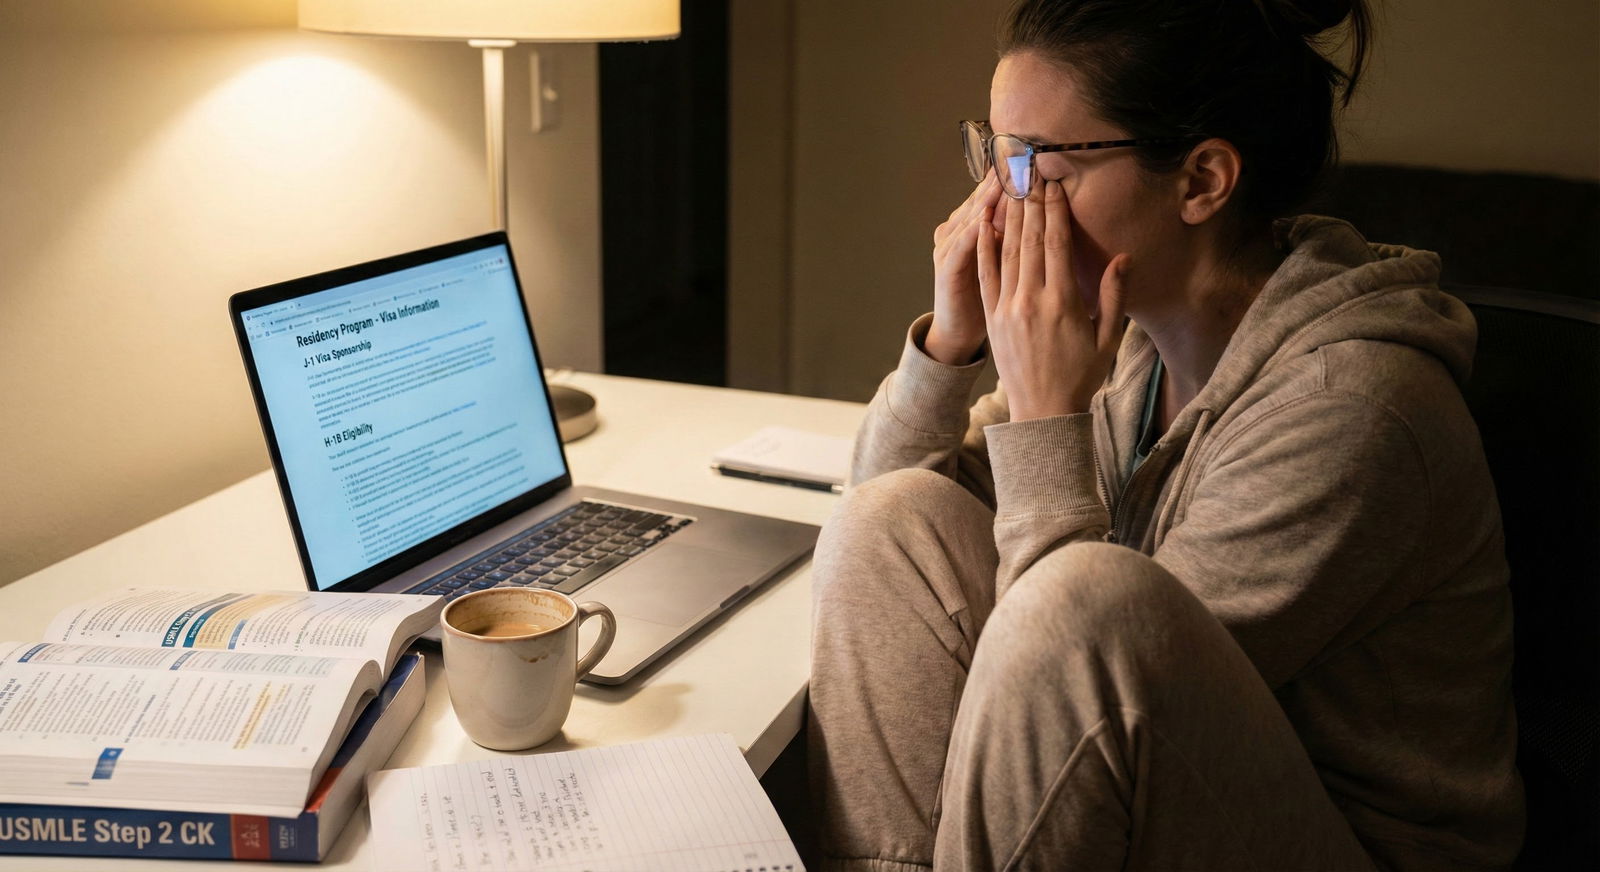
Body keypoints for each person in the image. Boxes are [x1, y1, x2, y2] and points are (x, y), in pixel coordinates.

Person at [806, 1, 1524, 870]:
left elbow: (1080, 667)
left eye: (1041, 167)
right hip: (1145, 797)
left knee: (1084, 602)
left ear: (1200, 182)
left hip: (1335, 840)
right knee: (892, 520)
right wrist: (951, 350)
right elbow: (879, 529)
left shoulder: (1357, 407)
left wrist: (1046, 416)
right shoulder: (1133, 337)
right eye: (995, 158)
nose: (997, 207)